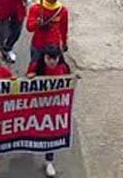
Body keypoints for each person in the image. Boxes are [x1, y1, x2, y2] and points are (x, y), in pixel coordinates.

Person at [26, 45, 71, 177]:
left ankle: (49, 160)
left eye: (54, 58)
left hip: (55, 108)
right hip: (38, 106)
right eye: (48, 58)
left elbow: (68, 81)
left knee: (51, 133)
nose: (52, 61)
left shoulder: (63, 68)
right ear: (43, 58)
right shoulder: (35, 67)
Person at [25, 0, 69, 64]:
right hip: (38, 45)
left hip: (54, 47)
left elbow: (64, 29)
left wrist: (64, 42)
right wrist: (37, 23)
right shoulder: (36, 8)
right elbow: (29, 28)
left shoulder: (63, 10)